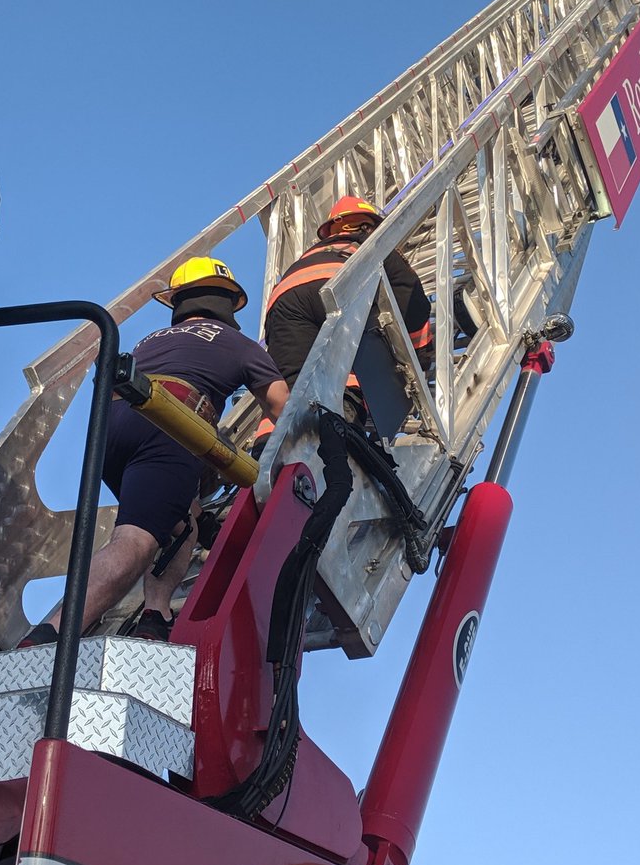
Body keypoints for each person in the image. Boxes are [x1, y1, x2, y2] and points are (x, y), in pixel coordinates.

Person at [23, 256, 288, 645]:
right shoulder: (238, 343)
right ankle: (52, 635)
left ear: (178, 302)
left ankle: (155, 614)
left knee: (182, 523)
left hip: (110, 430)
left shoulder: (151, 340)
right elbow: (284, 408)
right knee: (136, 540)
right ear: (227, 302)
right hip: (169, 426)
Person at [254, 196, 432, 451]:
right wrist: (418, 356)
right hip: (340, 288)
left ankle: (266, 448)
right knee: (346, 372)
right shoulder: (372, 244)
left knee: (290, 388)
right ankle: (337, 438)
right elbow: (410, 294)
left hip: (284, 299)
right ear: (369, 226)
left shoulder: (309, 255)